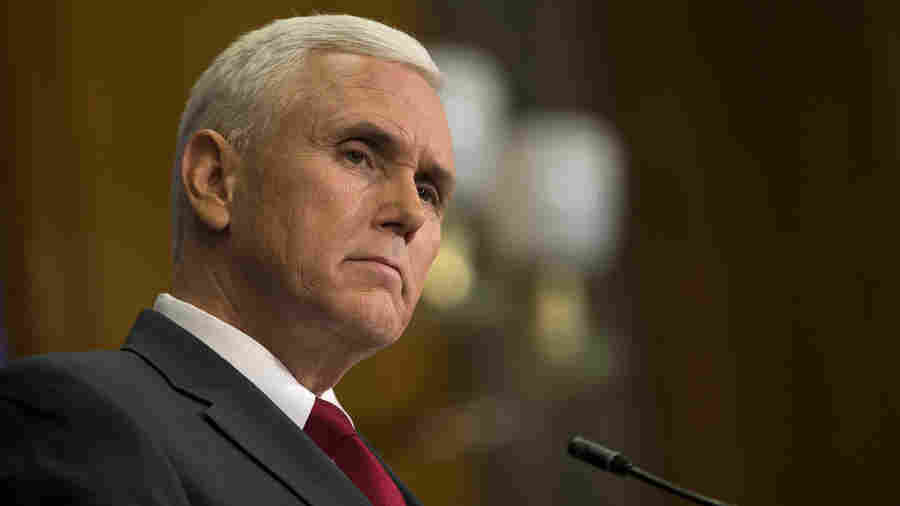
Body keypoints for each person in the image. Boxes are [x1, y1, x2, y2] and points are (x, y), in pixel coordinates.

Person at [0, 14, 455, 506]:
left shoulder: (382, 485)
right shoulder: (76, 417)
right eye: (359, 155)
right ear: (216, 179)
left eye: (428, 191)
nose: (410, 213)